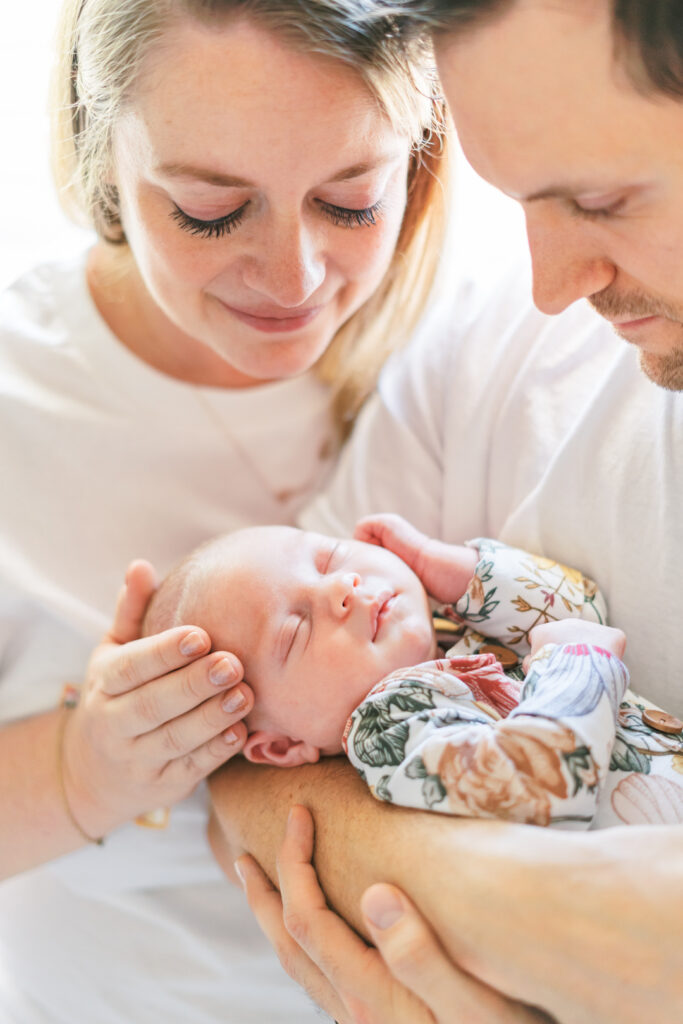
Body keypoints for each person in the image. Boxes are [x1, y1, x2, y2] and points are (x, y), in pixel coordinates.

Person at [205, 2, 683, 1022]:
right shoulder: (484, 354)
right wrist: (530, 908)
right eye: (516, 202)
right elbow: (235, 783)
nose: (550, 285)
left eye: (600, 200)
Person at [0, 1, 449, 1021]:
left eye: (350, 200)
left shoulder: (455, 350)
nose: (292, 279)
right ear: (101, 149)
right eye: (209, 209)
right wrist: (81, 772)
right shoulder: (19, 401)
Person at [142, 516, 682, 834]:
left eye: (330, 559)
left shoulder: (454, 629)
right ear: (283, 746)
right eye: (295, 632)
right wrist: (575, 666)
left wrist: (461, 573)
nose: (342, 589)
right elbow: (537, 790)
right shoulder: (390, 734)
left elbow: (583, 612)